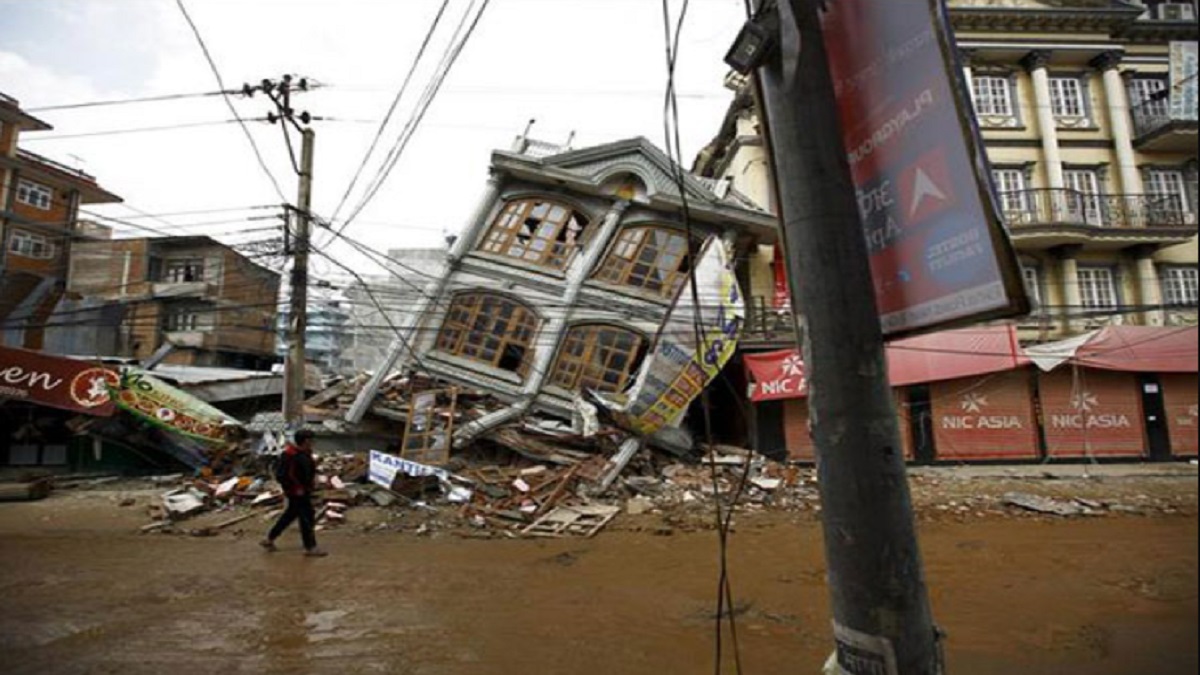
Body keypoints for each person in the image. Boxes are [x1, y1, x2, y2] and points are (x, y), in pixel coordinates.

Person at [260, 429, 327, 557]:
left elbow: (307, 470)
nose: (314, 442)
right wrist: (296, 488)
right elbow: (283, 475)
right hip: (296, 492)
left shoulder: (304, 453)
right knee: (307, 517)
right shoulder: (290, 455)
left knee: (290, 515)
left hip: (304, 489)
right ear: (306, 441)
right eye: (312, 440)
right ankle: (310, 547)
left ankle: (269, 539)